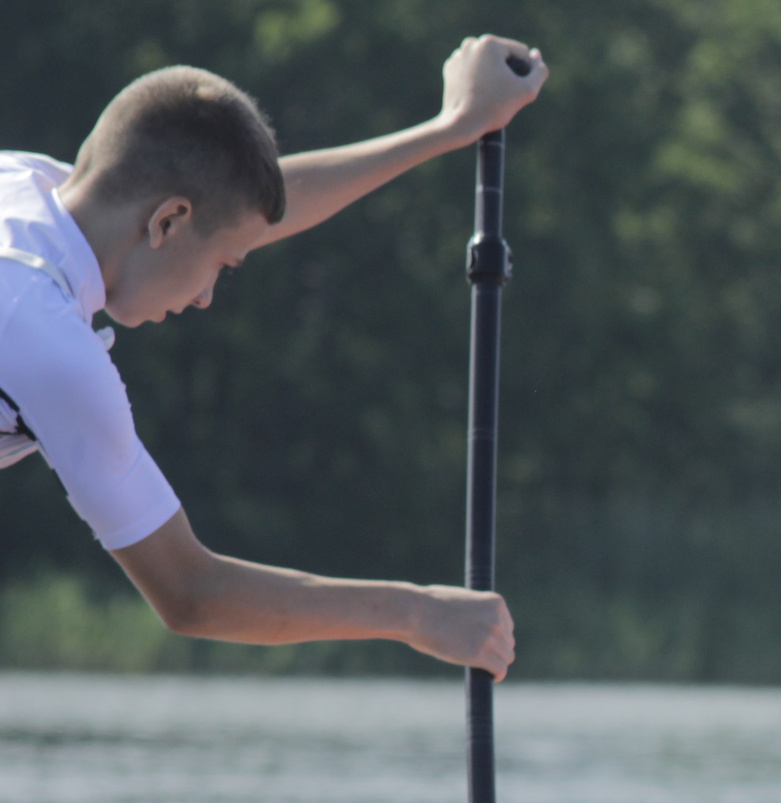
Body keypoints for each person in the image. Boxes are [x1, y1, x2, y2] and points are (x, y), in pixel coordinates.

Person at [1, 37, 549, 674]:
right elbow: (191, 593)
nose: (206, 297)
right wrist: (418, 613)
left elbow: (233, 208)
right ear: (168, 222)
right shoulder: (52, 351)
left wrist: (448, 129)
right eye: (223, 266)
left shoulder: (25, 185)